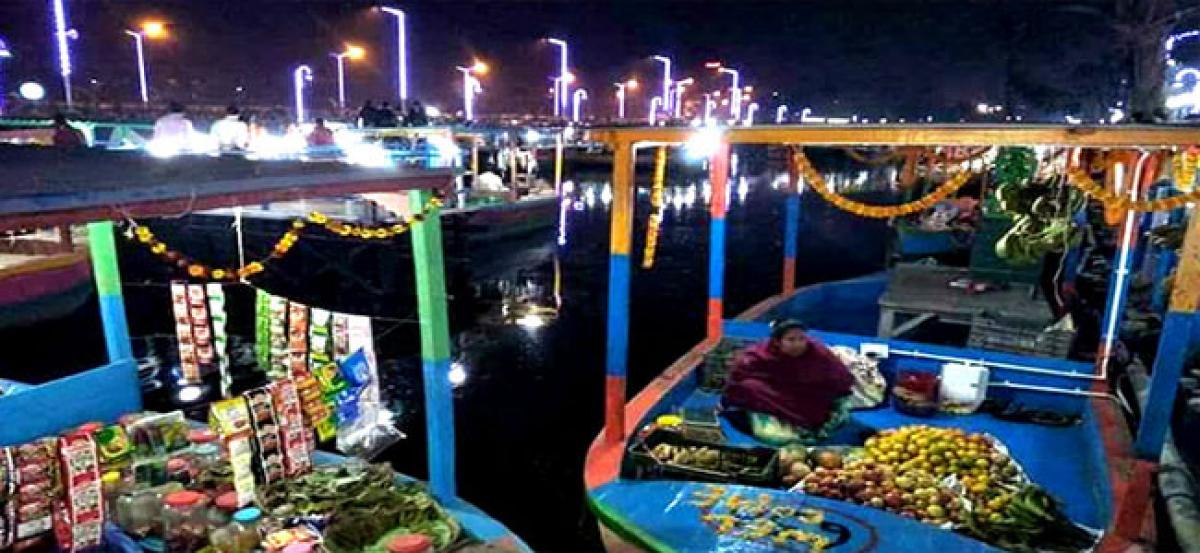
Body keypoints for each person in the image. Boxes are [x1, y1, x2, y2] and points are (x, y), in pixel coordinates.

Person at [723, 320, 854, 445]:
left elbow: (842, 377)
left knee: (819, 407)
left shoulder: (818, 353)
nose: (798, 344)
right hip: (776, 393)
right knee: (749, 386)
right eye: (791, 340)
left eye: (802, 339)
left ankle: (803, 424)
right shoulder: (760, 354)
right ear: (777, 342)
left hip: (809, 395)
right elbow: (738, 376)